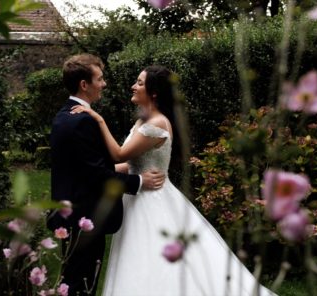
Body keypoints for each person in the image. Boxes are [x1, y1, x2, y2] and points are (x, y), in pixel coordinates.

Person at [70, 65, 277, 296]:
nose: (133, 86)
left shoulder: (157, 124)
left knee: (153, 257)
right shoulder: (144, 121)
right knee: (139, 257)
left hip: (152, 199)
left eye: (139, 83)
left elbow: (119, 154)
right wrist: (94, 173)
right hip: (139, 195)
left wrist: (98, 120)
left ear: (154, 92)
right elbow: (130, 165)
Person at [47, 54, 166, 296]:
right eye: (99, 79)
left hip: (73, 213)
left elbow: (85, 168)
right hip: (85, 217)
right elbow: (96, 175)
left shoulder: (65, 115)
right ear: (84, 84)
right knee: (80, 285)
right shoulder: (82, 120)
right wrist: (140, 181)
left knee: (73, 282)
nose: (104, 84)